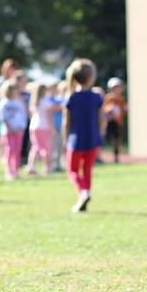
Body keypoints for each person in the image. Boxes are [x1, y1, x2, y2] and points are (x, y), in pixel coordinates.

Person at [63, 59, 104, 213]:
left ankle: (83, 192)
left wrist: (65, 138)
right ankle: (85, 195)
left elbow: (66, 122)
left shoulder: (72, 97)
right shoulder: (96, 97)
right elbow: (101, 120)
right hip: (93, 139)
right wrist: (99, 134)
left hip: (76, 140)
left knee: (72, 171)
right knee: (87, 170)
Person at [0, 81, 26, 180]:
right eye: (11, 89)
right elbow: (2, 118)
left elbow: (23, 116)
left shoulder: (18, 102)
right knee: (9, 151)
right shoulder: (3, 103)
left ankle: (15, 170)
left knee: (17, 151)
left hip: (19, 131)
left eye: (14, 89)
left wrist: (21, 127)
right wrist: (10, 128)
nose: (14, 91)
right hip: (8, 132)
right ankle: (8, 171)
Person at [26, 81, 55, 175]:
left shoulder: (33, 102)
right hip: (44, 126)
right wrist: (52, 127)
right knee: (46, 147)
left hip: (34, 126)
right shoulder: (46, 101)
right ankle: (47, 167)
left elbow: (31, 115)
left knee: (35, 147)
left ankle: (31, 166)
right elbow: (49, 116)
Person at [103, 77, 127, 164]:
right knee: (105, 138)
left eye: (119, 87)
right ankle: (99, 155)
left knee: (116, 140)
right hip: (109, 122)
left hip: (117, 122)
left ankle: (116, 157)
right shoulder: (108, 98)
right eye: (116, 87)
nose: (118, 89)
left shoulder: (121, 99)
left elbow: (123, 110)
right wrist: (110, 110)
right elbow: (104, 109)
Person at [50, 82, 66, 172]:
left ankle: (58, 165)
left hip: (61, 127)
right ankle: (53, 165)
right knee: (53, 147)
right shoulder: (52, 99)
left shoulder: (62, 99)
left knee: (60, 147)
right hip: (53, 127)